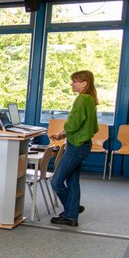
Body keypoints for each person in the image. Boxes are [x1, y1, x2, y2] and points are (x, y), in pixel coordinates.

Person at [49, 70, 99, 226]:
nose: (71, 83)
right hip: (83, 145)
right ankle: (71, 215)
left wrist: (62, 133)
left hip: (76, 147)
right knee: (72, 181)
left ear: (84, 83)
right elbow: (91, 127)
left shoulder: (81, 99)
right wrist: (63, 135)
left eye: (74, 81)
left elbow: (73, 124)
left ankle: (72, 210)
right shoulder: (90, 99)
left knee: (56, 182)